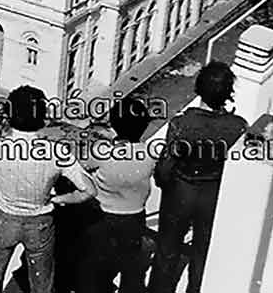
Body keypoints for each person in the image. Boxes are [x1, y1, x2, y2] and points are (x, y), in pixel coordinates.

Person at [0, 85, 97, 293]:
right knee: (42, 284)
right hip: (40, 222)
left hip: (5, 219)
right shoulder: (56, 151)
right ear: (41, 117)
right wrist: (58, 200)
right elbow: (90, 190)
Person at [149, 62, 248, 293]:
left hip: (180, 193)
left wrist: (165, 184)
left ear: (199, 88)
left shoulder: (182, 124)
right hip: (213, 194)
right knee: (203, 251)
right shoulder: (237, 126)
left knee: (167, 249)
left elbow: (165, 168)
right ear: (227, 94)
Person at [80, 97, 156, 293]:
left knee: (96, 265)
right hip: (134, 216)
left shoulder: (102, 151)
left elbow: (85, 166)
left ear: (114, 125)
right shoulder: (149, 153)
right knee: (131, 265)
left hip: (103, 216)